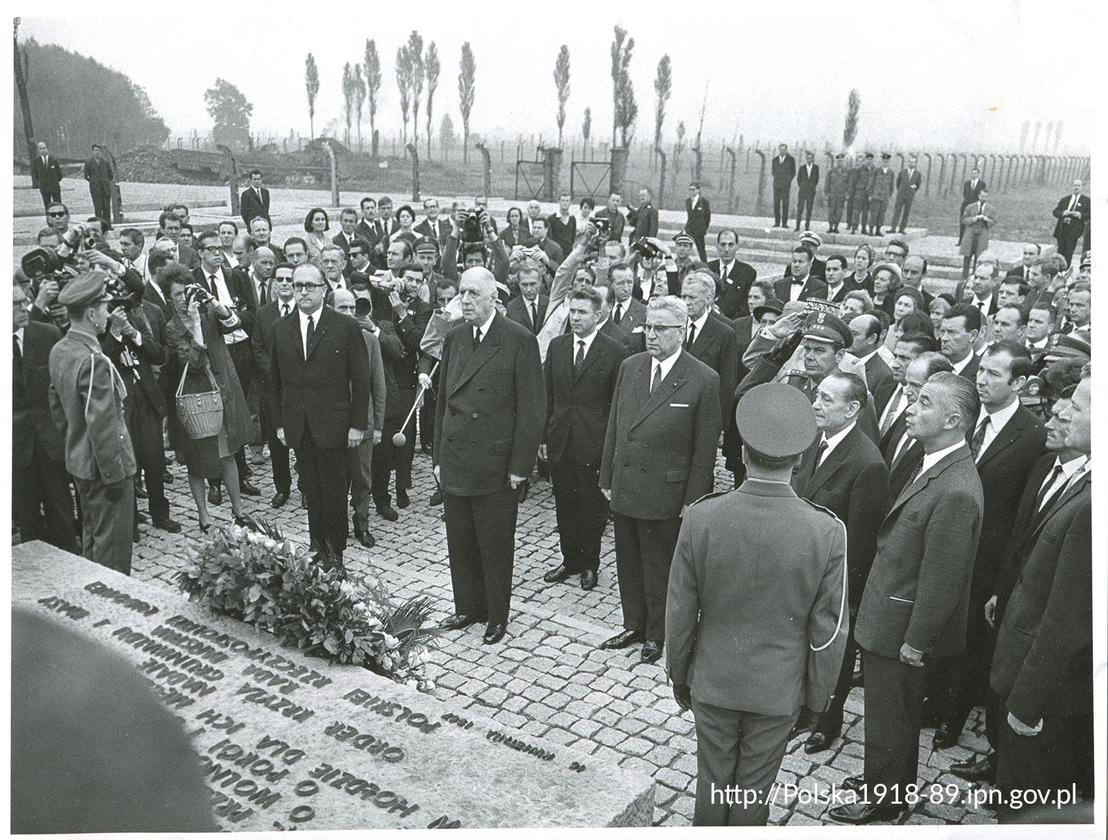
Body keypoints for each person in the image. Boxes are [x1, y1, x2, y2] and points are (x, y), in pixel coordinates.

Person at [666, 382, 846, 826]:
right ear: (800, 459)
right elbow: (829, 631)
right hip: (778, 689)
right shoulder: (826, 532)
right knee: (753, 792)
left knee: (713, 783)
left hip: (713, 679)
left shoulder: (703, 518)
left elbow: (680, 613)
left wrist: (679, 673)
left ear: (743, 453)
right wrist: (817, 697)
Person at [830, 372, 984, 824]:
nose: (912, 410)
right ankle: (885, 779)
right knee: (885, 713)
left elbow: (943, 580)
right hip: (889, 613)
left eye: (924, 403)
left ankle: (886, 801)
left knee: (892, 717)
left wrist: (917, 642)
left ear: (953, 420)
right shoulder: (936, 462)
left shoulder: (956, 488)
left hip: (901, 628)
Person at [931, 342, 1046, 752]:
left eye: (993, 374)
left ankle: (953, 717)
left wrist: (1002, 581)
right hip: (946, 544)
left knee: (971, 643)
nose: (981, 379)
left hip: (988, 559)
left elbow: (1023, 515)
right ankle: (932, 704)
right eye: (981, 370)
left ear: (1019, 383)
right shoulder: (964, 415)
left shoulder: (1032, 435)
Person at [990, 368, 1091, 821]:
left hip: (1043, 694)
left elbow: (1068, 621)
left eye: (1079, 404)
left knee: (1029, 805)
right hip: (1022, 663)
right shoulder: (1074, 479)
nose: (1061, 409)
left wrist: (1026, 704)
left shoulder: (1092, 505)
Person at [598, 296, 722, 664]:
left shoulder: (702, 378)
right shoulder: (631, 366)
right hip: (626, 484)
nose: (651, 334)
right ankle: (633, 623)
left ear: (681, 332)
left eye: (660, 329)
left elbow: (704, 449)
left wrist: (693, 500)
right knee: (628, 561)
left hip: (665, 492)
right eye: (648, 327)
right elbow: (615, 426)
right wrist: (607, 474)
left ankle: (656, 633)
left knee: (658, 566)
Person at [434, 267, 546, 645]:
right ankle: (468, 606)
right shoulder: (455, 337)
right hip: (456, 459)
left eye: (473, 295)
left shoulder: (518, 339)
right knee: (459, 538)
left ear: (494, 299)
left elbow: (532, 408)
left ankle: (496, 615)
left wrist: (520, 466)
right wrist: (437, 454)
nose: (465, 301)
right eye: (462, 293)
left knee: (494, 543)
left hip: (495, 464)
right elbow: (443, 403)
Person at [793, 372, 889, 754]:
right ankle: (802, 708)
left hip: (835, 580)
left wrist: (842, 596)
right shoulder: (817, 439)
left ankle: (826, 722)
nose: (816, 404)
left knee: (833, 653)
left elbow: (862, 543)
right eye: (817, 396)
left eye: (827, 399)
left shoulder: (868, 463)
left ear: (852, 409)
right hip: (804, 568)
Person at [269, 263, 371, 566]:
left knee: (335, 491)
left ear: (323, 290)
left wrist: (357, 425)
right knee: (311, 490)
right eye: (297, 286)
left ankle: (335, 553)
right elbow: (274, 381)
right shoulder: (281, 328)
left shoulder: (344, 326)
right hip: (300, 426)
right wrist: (278, 425)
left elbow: (361, 379)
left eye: (309, 286)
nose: (302, 291)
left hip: (335, 426)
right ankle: (317, 548)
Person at [541, 286, 630, 591]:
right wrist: (545, 436)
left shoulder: (615, 351)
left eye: (582, 312)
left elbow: (618, 404)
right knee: (565, 503)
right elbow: (548, 395)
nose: (575, 317)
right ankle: (570, 560)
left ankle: (590, 564)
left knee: (592, 506)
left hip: (595, 443)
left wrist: (611, 448)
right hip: (561, 440)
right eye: (572, 311)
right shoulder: (558, 346)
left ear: (598, 315)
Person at [48, 272, 136, 573]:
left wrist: (76, 447)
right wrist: (113, 474)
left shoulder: (61, 349)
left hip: (81, 464)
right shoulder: (93, 360)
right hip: (105, 470)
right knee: (112, 553)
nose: (107, 315)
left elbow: (57, 410)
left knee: (91, 539)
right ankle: (109, 614)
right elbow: (104, 423)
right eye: (103, 308)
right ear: (90, 313)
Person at [160, 264, 252, 533]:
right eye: (176, 295)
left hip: (221, 392)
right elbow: (194, 362)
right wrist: (197, 326)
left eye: (185, 292)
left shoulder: (207, 311)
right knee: (196, 460)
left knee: (227, 454)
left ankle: (238, 510)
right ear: (169, 298)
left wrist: (211, 300)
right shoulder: (173, 327)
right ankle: (204, 516)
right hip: (195, 400)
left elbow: (234, 323)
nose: (182, 299)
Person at [13, 284, 78, 553]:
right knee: (27, 515)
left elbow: (63, 386)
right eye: (15, 304)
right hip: (16, 446)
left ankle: (71, 562)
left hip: (51, 441)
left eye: (24, 301)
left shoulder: (48, 334)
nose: (24, 308)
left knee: (61, 508)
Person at [371, 261, 432, 520]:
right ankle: (381, 495)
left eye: (419, 280)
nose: (413, 284)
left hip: (407, 379)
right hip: (385, 376)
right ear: (400, 278)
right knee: (384, 441)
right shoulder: (385, 298)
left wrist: (403, 314)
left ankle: (402, 487)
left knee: (405, 437)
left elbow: (420, 342)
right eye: (409, 279)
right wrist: (384, 284)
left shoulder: (425, 310)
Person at [332, 289, 387, 550]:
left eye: (353, 308)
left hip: (363, 425)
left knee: (363, 478)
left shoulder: (369, 341)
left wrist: (377, 425)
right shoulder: (324, 339)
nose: (350, 314)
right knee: (336, 479)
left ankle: (362, 524)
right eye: (342, 308)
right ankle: (338, 526)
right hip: (332, 426)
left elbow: (378, 384)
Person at [251, 262, 296, 508]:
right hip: (273, 390)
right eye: (280, 279)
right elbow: (258, 347)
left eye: (290, 279)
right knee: (277, 443)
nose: (285, 284)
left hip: (300, 390)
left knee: (302, 442)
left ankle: (306, 489)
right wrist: (276, 374)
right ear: (273, 283)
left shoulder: (304, 310)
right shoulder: (264, 313)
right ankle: (282, 488)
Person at [681, 271, 738, 421]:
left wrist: (721, 425)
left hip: (704, 413)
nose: (686, 302)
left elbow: (727, 384)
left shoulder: (724, 333)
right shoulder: (674, 325)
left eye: (692, 297)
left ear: (708, 298)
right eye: (683, 297)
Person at [709, 229, 758, 318]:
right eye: (723, 245)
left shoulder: (747, 272)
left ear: (737, 247)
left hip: (734, 323)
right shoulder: (708, 269)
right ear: (717, 247)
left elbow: (745, 305)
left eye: (731, 244)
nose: (726, 249)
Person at [1051, 179, 1090, 269]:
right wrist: (1063, 213)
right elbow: (1055, 212)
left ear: (1082, 187)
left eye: (1078, 186)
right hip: (1062, 229)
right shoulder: (1065, 199)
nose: (1076, 187)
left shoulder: (1086, 201)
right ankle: (1057, 270)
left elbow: (1090, 214)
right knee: (1060, 251)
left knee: (1068, 253)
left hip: (1074, 231)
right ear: (1072, 187)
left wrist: (1080, 215)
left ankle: (1065, 271)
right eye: (1075, 185)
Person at [960, 189, 997, 278]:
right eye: (982, 196)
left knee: (980, 256)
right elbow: (964, 220)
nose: (984, 198)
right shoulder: (970, 207)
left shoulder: (991, 209)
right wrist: (974, 219)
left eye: (986, 197)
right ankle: (964, 277)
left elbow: (994, 221)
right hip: (970, 234)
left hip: (982, 234)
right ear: (978, 196)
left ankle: (976, 276)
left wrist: (986, 219)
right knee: (967, 257)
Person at [889, 154, 922, 234]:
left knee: (906, 212)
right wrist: (901, 190)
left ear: (916, 164)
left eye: (913, 162)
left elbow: (917, 184)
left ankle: (902, 229)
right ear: (908, 163)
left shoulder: (918, 174)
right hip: (901, 194)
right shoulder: (902, 172)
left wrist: (912, 190)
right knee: (897, 211)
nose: (911, 164)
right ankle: (893, 228)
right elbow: (898, 183)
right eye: (910, 162)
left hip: (910, 195)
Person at [83, 144, 113, 223]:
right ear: (92, 152)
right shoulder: (89, 162)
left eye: (99, 151)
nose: (97, 152)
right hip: (96, 190)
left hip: (105, 189)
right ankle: (99, 225)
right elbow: (86, 175)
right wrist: (94, 182)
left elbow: (110, 175)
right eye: (95, 150)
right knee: (98, 209)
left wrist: (104, 181)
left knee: (107, 208)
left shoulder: (105, 162)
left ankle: (108, 225)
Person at [771, 144, 796, 228]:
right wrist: (778, 179)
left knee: (785, 203)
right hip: (777, 184)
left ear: (786, 150)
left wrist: (788, 180)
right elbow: (773, 172)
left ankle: (784, 223)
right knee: (776, 203)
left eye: (784, 150)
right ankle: (777, 222)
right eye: (781, 150)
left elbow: (793, 172)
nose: (782, 151)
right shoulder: (775, 160)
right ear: (779, 150)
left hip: (786, 185)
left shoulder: (791, 160)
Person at [31, 140, 63, 207]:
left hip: (55, 188)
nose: (43, 150)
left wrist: (54, 181)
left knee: (58, 206)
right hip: (44, 188)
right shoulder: (36, 162)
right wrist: (40, 183)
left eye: (44, 148)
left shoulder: (54, 161)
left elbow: (59, 175)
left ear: (47, 149)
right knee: (48, 207)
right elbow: (35, 175)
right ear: (39, 150)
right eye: (41, 149)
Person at [960, 166, 988, 242]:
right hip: (966, 205)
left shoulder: (982, 184)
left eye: (975, 173)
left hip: (976, 205)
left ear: (978, 174)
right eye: (972, 173)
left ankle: (974, 241)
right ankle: (961, 240)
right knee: (963, 221)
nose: (973, 175)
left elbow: (982, 195)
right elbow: (965, 194)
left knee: (976, 222)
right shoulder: (967, 183)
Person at [794, 151, 820, 232]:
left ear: (813, 159)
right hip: (802, 191)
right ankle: (797, 226)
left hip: (811, 191)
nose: (809, 160)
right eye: (808, 158)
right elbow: (798, 179)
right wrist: (802, 186)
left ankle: (807, 226)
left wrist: (811, 187)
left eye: (810, 158)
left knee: (809, 209)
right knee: (800, 208)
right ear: (806, 159)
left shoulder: (816, 168)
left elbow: (816, 180)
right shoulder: (802, 168)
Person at [685, 182, 711, 261]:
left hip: (699, 230)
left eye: (693, 189)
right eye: (690, 189)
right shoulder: (688, 201)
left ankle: (704, 265)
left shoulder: (704, 202)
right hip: (690, 229)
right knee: (685, 248)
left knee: (701, 250)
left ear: (698, 190)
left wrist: (703, 227)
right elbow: (690, 216)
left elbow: (707, 217)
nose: (691, 191)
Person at [825, 153, 849, 233]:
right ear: (836, 162)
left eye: (841, 161)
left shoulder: (846, 172)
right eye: (839, 161)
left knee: (839, 212)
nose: (840, 162)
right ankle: (830, 227)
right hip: (832, 195)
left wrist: (847, 194)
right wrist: (826, 194)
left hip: (841, 195)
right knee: (831, 212)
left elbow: (848, 184)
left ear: (843, 162)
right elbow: (827, 182)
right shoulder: (831, 171)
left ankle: (836, 227)